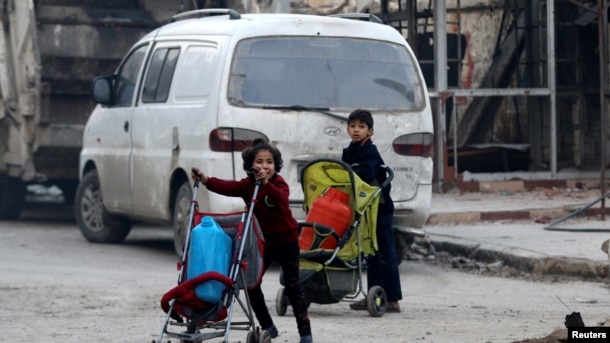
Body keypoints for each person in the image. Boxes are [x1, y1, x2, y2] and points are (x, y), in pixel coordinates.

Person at [191, 139, 313, 343]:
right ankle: (267, 326)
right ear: (250, 166)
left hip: (286, 242)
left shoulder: (278, 183)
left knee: (293, 287)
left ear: (276, 166)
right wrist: (205, 179)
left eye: (269, 162)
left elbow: (280, 200)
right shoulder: (247, 185)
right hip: (261, 243)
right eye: (260, 162)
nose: (265, 166)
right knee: (251, 284)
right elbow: (226, 187)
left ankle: (305, 334)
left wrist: (265, 183)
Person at [341, 109, 402, 313]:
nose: (356, 130)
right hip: (364, 206)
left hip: (380, 207)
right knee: (371, 252)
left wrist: (347, 173)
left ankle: (392, 299)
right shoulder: (349, 150)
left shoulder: (370, 151)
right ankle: (374, 296)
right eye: (352, 126)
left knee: (385, 252)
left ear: (370, 131)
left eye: (361, 126)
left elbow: (366, 173)